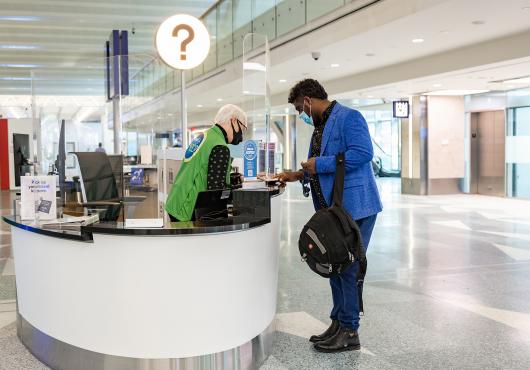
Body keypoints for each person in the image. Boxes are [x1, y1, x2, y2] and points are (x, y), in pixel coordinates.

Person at [277, 79, 382, 353]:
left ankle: (350, 331)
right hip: (332, 210)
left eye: (301, 107)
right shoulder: (320, 128)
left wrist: (319, 163)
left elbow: (362, 153)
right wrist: (297, 174)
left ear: (309, 100)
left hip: (356, 208)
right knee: (334, 265)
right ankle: (337, 323)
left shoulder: (349, 117)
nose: (302, 113)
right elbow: (318, 167)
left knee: (347, 267)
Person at [165, 104, 248, 222]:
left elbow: (205, 170)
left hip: (177, 200)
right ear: (234, 121)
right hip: (188, 209)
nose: (241, 134)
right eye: (242, 128)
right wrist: (239, 191)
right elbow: (216, 191)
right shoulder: (220, 146)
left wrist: (231, 178)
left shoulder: (206, 136)